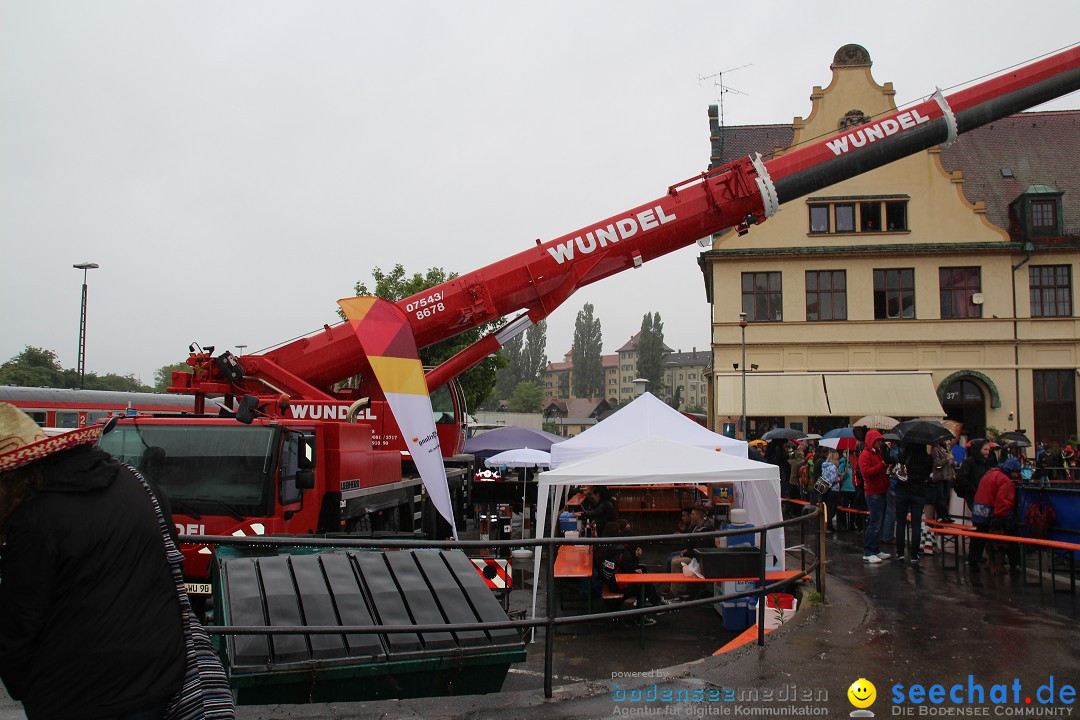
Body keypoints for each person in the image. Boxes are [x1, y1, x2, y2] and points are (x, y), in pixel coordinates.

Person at [0, 403, 188, 720]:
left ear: (11, 478)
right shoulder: (140, 485)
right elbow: (172, 573)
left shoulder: (34, 521)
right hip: (159, 681)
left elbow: (18, 625)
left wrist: (31, 689)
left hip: (74, 695)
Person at [968, 457, 1022, 574]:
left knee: (978, 540)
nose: (1017, 475)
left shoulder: (990, 473)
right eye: (1016, 472)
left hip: (978, 510)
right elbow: (1003, 502)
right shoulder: (1005, 481)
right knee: (1008, 540)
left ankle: (973, 564)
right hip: (991, 513)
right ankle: (1014, 565)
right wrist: (1002, 517)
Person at [667, 505, 715, 598]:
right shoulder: (695, 527)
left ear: (698, 516)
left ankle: (676, 590)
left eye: (693, 514)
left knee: (674, 562)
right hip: (693, 554)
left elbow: (699, 550)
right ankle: (675, 587)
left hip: (699, 560)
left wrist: (686, 552)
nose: (691, 516)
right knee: (672, 558)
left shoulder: (704, 530)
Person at [858, 430, 891, 564]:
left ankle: (875, 549)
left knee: (879, 522)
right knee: (874, 523)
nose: (879, 443)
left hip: (881, 490)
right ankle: (868, 551)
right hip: (873, 492)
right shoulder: (865, 455)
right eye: (877, 440)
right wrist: (882, 465)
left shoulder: (878, 453)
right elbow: (866, 473)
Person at [894, 443, 931, 563]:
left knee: (901, 522)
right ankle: (914, 554)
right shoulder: (927, 458)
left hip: (902, 491)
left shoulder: (904, 455)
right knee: (916, 524)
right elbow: (929, 475)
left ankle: (900, 552)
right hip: (918, 493)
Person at [955, 439, 995, 514]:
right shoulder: (969, 462)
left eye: (988, 450)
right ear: (978, 449)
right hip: (973, 494)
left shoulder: (986, 462)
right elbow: (962, 477)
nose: (987, 452)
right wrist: (973, 489)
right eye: (985, 449)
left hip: (984, 494)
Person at [837, 450, 857, 531]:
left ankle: (852, 524)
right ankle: (844, 525)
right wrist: (844, 474)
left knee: (853, 508)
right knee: (844, 507)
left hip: (854, 489)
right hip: (845, 489)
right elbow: (839, 478)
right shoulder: (843, 465)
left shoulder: (855, 465)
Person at [820, 450, 841, 530]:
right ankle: (829, 525)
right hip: (833, 489)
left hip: (825, 489)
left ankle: (826, 524)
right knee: (832, 508)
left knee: (827, 507)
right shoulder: (833, 467)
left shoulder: (825, 465)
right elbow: (832, 479)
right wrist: (839, 477)